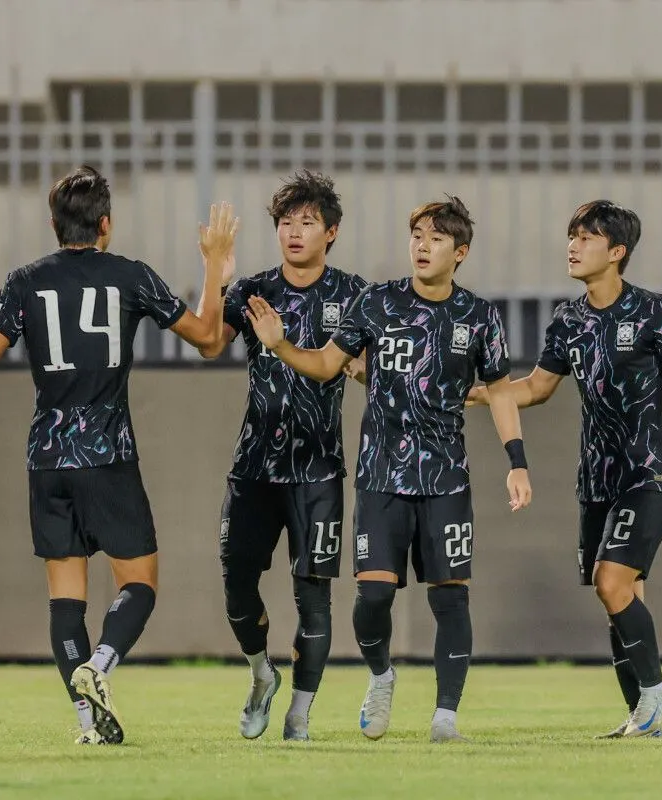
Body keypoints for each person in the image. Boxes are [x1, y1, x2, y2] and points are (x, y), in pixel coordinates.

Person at [0, 166, 239, 745]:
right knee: (140, 582)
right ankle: (98, 668)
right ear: (106, 223)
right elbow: (208, 339)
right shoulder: (129, 276)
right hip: (106, 453)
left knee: (65, 596)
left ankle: (87, 724)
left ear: (54, 224)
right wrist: (214, 266)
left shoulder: (25, 281)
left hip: (47, 457)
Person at [245, 195, 532, 743]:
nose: (423, 246)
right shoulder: (377, 303)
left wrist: (517, 463)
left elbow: (499, 393)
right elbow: (329, 364)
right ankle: (382, 674)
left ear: (460, 251)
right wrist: (280, 345)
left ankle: (446, 715)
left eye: (437, 238)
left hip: (446, 477)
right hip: (382, 479)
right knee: (373, 597)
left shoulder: (478, 316)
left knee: (450, 596)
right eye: (417, 235)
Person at [467, 199, 662, 738]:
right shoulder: (568, 320)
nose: (573, 246)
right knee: (621, 599)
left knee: (612, 583)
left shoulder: (656, 311)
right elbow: (535, 387)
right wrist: (473, 392)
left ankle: (655, 693)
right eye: (572, 236)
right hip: (596, 481)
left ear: (617, 251)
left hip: (646, 473)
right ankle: (642, 717)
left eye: (586, 237)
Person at [197, 170, 366, 741]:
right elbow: (207, 341)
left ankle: (299, 714)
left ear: (331, 232)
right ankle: (260, 673)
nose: (294, 232)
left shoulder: (355, 296)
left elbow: (368, 368)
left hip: (318, 469)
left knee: (313, 596)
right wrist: (215, 271)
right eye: (286, 223)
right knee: (237, 584)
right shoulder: (251, 291)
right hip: (254, 468)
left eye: (307, 222)